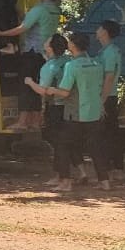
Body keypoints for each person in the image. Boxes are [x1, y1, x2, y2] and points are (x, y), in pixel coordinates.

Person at [40, 33, 111, 191]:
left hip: (76, 113)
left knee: (63, 144)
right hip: (95, 111)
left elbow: (65, 92)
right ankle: (104, 181)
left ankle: (65, 181)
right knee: (95, 147)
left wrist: (52, 90)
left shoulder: (71, 66)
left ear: (72, 45)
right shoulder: (96, 63)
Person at [0, 0, 65, 132]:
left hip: (32, 52)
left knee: (26, 84)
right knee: (37, 86)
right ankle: (35, 120)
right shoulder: (55, 10)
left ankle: (22, 121)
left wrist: (1, 33)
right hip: (45, 53)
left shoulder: (39, 9)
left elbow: (22, 28)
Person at [24, 35, 72, 189]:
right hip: (70, 106)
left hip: (55, 107)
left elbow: (43, 91)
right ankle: (60, 175)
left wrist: (30, 82)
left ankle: (64, 178)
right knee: (64, 142)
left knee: (58, 143)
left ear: (50, 47)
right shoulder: (69, 62)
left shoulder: (49, 66)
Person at [96, 19, 125, 179]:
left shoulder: (110, 52)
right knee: (106, 133)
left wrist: (101, 100)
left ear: (105, 32)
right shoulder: (105, 51)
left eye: (99, 28)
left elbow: (109, 77)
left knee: (109, 133)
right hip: (106, 96)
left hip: (108, 96)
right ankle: (111, 167)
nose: (97, 30)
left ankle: (117, 168)